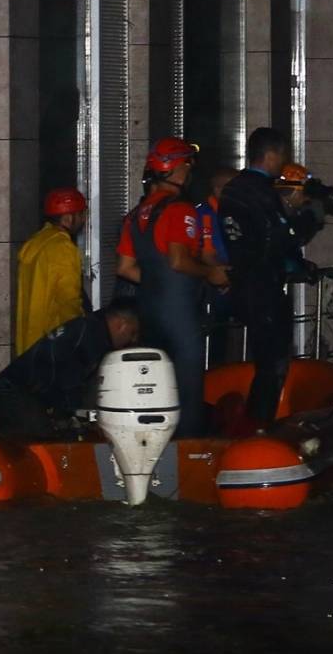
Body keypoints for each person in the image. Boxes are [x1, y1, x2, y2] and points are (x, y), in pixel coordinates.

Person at [115, 138, 229, 438]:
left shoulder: (136, 214)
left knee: (156, 387)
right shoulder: (180, 210)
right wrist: (211, 273)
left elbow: (125, 268)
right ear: (176, 170)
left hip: (149, 311)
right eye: (186, 166)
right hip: (179, 313)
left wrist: (157, 282)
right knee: (188, 390)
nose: (189, 173)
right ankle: (187, 451)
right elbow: (178, 260)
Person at [218, 128, 302, 430]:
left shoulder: (233, 189)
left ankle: (254, 427)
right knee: (272, 365)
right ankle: (258, 429)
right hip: (263, 286)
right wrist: (304, 218)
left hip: (243, 283)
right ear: (271, 155)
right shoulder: (262, 191)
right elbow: (278, 237)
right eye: (282, 155)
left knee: (264, 361)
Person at [0, 299, 140, 437]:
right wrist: (73, 414)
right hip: (11, 392)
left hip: (18, 392)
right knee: (40, 442)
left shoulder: (89, 328)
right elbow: (70, 380)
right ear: (121, 324)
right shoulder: (92, 336)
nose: (132, 339)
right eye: (132, 332)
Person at [16, 187, 89, 356]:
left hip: (29, 344)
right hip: (52, 344)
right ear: (69, 218)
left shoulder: (35, 242)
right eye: (81, 214)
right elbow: (68, 300)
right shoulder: (63, 248)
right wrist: (79, 336)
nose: (84, 220)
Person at [198, 167, 238, 367]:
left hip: (233, 281)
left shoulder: (236, 213)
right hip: (212, 286)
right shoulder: (204, 214)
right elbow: (206, 254)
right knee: (217, 336)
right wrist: (227, 275)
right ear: (217, 189)